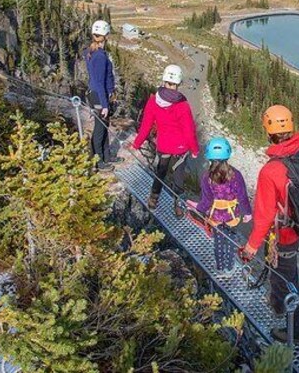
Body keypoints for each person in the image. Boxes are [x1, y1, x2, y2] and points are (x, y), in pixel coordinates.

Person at [241, 104, 299, 345]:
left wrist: (251, 246)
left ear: (269, 132)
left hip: (284, 237)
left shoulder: (271, 170)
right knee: (291, 278)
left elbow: (264, 215)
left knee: (286, 285)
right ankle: (294, 323)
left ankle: (297, 333)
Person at [132, 64, 199, 217]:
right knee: (178, 178)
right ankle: (178, 207)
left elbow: (146, 126)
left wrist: (137, 143)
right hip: (180, 148)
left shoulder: (154, 101)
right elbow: (189, 131)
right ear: (178, 83)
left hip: (163, 145)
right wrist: (194, 150)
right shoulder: (182, 104)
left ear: (163, 80)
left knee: (160, 172)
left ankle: (153, 199)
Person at [189, 137, 252, 276]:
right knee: (229, 242)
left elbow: (206, 200)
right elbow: (242, 196)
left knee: (218, 242)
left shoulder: (207, 177)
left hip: (215, 216)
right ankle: (229, 268)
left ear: (209, 157)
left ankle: (219, 267)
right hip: (232, 216)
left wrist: (197, 211)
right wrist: (247, 213)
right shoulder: (236, 175)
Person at [85, 19, 116, 172]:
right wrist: (104, 104)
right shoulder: (100, 56)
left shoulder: (91, 52)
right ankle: (98, 161)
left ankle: (106, 155)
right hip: (99, 95)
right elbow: (99, 82)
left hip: (97, 94)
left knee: (104, 126)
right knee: (100, 128)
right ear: (106, 36)